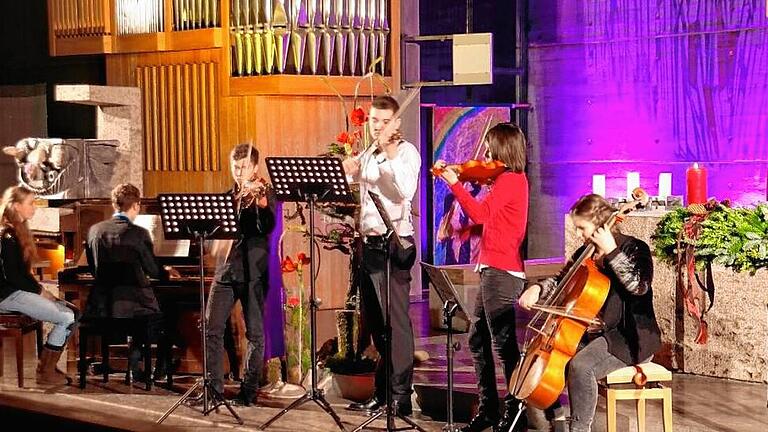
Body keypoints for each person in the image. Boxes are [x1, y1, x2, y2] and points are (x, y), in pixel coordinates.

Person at [519, 194, 662, 432]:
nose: (578, 235)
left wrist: (612, 252)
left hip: (628, 337)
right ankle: (557, 423)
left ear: (598, 223)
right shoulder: (584, 254)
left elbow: (639, 286)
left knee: (581, 366)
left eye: (581, 228)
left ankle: (580, 429)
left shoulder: (635, 248)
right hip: (592, 333)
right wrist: (538, 288)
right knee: (545, 366)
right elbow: (561, 281)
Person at [434, 122, 530, 432]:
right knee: (478, 339)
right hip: (492, 267)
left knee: (504, 346)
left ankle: (516, 413)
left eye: (489, 147)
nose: (485, 153)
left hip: (501, 271)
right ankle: (489, 409)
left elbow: (481, 214)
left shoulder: (511, 181)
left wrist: (454, 183)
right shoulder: (505, 180)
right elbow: (495, 223)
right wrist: (459, 230)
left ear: (503, 148)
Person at [343, 95, 421, 416]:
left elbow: (402, 191)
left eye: (384, 120)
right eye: (373, 120)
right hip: (369, 245)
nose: (377, 126)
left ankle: (401, 395)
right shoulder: (369, 152)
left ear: (396, 123)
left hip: (394, 244)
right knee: (376, 325)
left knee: (396, 324)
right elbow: (353, 187)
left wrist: (387, 155)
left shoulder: (406, 153)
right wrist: (349, 170)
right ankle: (383, 391)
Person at [205, 143, 275, 406]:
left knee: (255, 334)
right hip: (226, 270)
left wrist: (261, 203)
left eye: (244, 167)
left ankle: (249, 390)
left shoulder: (265, 193)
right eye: (235, 167)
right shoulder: (227, 197)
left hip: (254, 271)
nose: (238, 172)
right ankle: (214, 388)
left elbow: (267, 225)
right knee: (212, 328)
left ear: (254, 167)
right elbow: (217, 234)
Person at [85, 183, 175, 380]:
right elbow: (153, 270)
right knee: (166, 318)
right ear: (136, 205)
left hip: (103, 307)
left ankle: (132, 366)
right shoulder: (139, 233)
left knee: (136, 311)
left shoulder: (94, 231)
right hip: (133, 308)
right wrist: (167, 271)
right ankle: (158, 370)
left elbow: (94, 269)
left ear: (114, 205)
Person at [0, 186, 77, 386]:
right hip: (7, 295)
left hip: (17, 291)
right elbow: (13, 276)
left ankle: (47, 365)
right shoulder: (6, 235)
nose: (34, 207)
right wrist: (43, 292)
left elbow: (23, 275)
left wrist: (42, 292)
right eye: (31, 203)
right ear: (17, 206)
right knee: (66, 316)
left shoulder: (19, 230)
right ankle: (45, 371)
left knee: (73, 313)